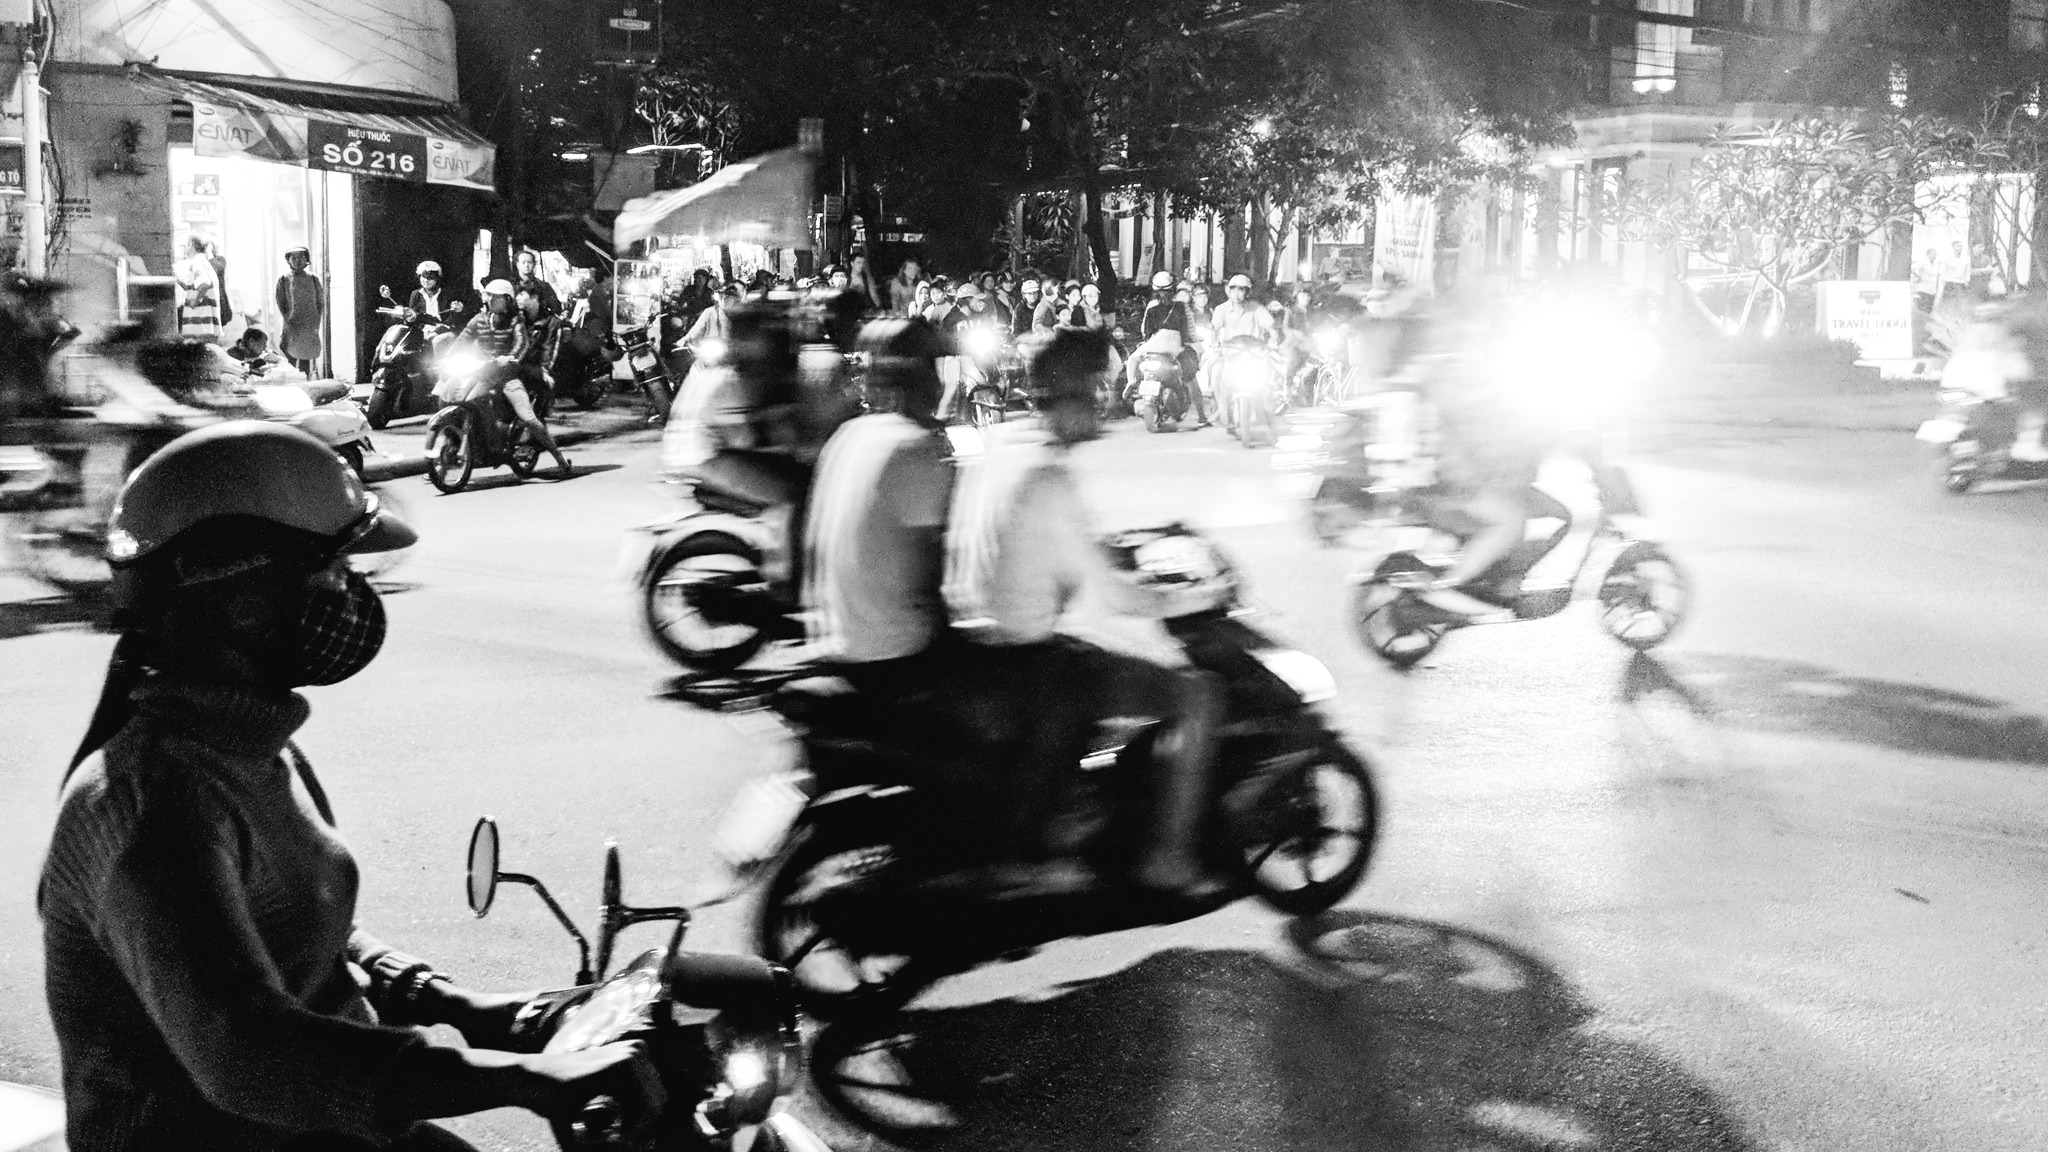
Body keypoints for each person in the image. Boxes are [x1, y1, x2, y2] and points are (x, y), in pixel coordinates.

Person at [39, 422, 665, 1151]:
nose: (353, 595)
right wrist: (519, 1080)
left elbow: (300, 926)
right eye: (332, 574)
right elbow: (248, 1053)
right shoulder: (153, 805)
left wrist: (458, 1003)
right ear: (243, 596)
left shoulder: (247, 747)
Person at [946, 327, 1223, 899]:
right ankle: (1167, 861)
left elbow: (1055, 545)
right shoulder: (1049, 475)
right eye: (1095, 388)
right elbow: (1117, 598)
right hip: (1026, 661)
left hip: (969, 645)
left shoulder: (1002, 444)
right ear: (1069, 394)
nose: (1104, 402)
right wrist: (1197, 596)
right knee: (1196, 695)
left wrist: (1125, 547)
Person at [455, 279, 571, 475]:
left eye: (494, 296)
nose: (489, 299)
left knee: (528, 418)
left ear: (505, 299)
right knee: (462, 401)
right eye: (488, 295)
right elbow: (463, 338)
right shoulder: (480, 319)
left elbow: (522, 343)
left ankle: (560, 460)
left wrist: (511, 358)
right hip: (484, 375)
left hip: (508, 377)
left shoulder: (516, 321)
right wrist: (444, 358)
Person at [274, 246, 323, 375]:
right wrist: (288, 318)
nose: (297, 260)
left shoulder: (313, 279)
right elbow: (280, 302)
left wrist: (316, 320)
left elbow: (320, 302)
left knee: (306, 358)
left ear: (306, 259)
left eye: (301, 257)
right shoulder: (283, 279)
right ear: (288, 261)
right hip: (292, 325)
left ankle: (305, 381)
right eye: (293, 257)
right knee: (290, 355)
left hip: (309, 325)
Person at [175, 236, 223, 345]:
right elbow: (193, 285)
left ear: (191, 245)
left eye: (186, 245)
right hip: (204, 324)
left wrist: (195, 301)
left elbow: (205, 283)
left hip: (201, 323)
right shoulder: (202, 261)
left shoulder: (197, 261)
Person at [512, 249, 562, 318]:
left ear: (534, 264)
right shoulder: (511, 286)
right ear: (517, 265)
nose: (526, 265)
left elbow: (556, 307)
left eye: (529, 262)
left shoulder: (543, 286)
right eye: (523, 262)